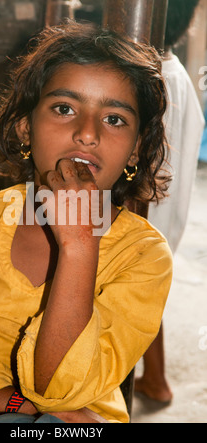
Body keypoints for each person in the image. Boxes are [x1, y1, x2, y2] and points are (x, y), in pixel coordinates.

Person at [0, 21, 173, 424]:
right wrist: (23, 409)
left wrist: (80, 245)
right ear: (25, 128)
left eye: (115, 119)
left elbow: (62, 390)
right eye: (64, 108)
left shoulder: (144, 255)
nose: (87, 133)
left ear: (136, 150)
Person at [135, 0, 205, 403]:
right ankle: (156, 380)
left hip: (149, 213)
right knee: (146, 293)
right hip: (167, 216)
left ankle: (154, 381)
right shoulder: (175, 71)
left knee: (133, 293)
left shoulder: (152, 78)